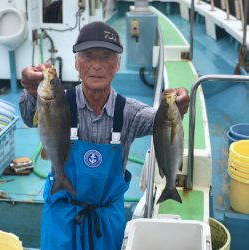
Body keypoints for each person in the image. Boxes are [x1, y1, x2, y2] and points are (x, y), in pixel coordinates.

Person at [19, 21, 190, 250]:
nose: (97, 65)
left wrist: (177, 108)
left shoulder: (130, 112)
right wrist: (31, 91)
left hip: (107, 220)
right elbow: (30, 117)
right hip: (62, 215)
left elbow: (164, 122)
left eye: (107, 56)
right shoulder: (57, 102)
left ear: (118, 64)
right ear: (76, 62)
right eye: (88, 56)